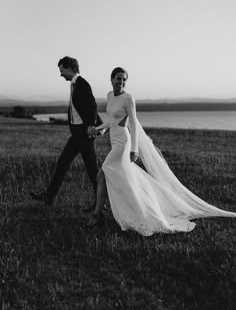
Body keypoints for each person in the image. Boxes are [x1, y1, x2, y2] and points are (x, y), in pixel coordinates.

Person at [87, 67, 236, 235]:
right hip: (114, 141)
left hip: (123, 143)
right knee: (122, 179)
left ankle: (99, 214)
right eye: (118, 78)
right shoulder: (109, 96)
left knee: (103, 173)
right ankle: (126, 211)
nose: (121, 82)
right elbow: (111, 120)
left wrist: (134, 149)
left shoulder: (128, 98)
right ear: (111, 79)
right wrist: (98, 129)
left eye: (124, 79)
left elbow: (134, 124)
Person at [30, 56, 102, 209]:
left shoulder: (82, 83)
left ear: (71, 68)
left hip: (85, 134)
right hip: (76, 134)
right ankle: (49, 197)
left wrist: (91, 125)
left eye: (62, 70)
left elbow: (93, 106)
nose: (60, 73)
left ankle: (100, 203)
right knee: (63, 162)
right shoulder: (73, 84)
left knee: (92, 169)